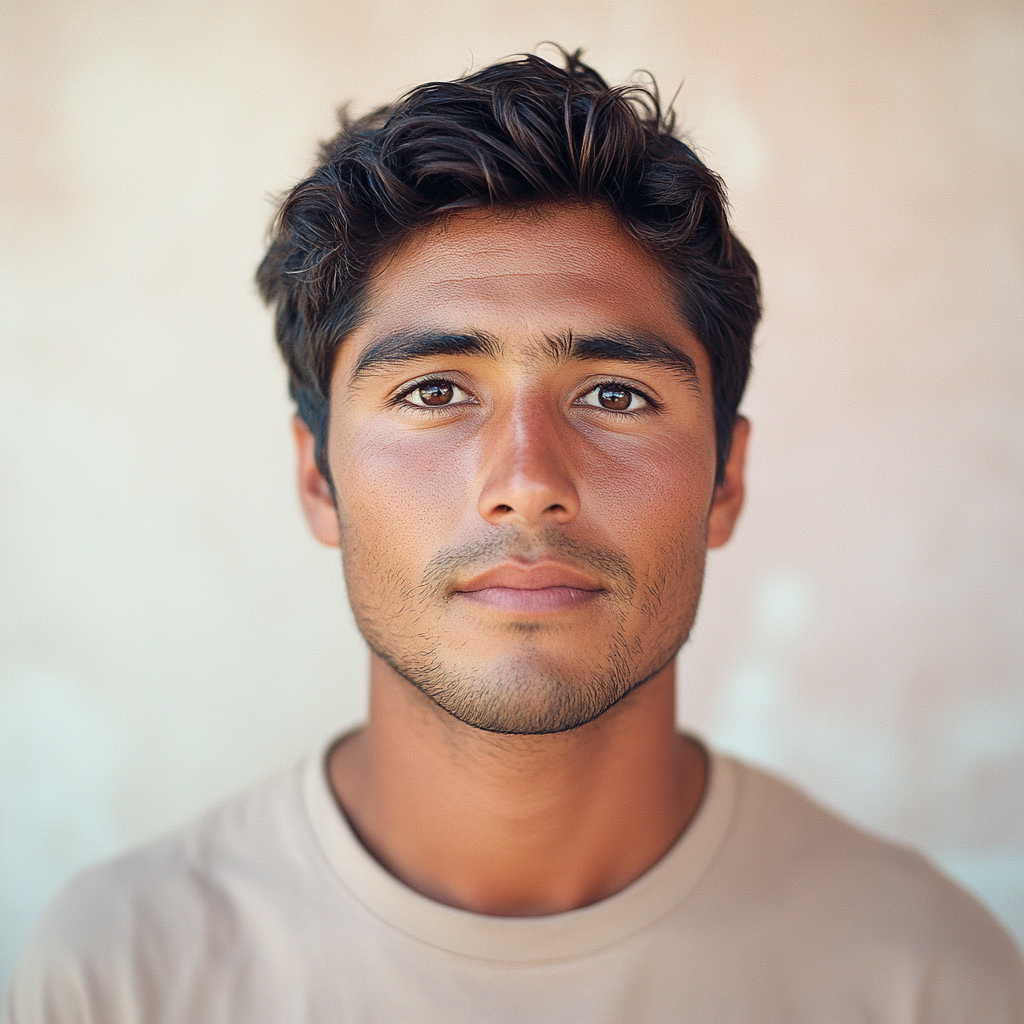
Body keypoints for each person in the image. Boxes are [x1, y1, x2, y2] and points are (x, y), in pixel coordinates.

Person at [6, 49, 1023, 1024]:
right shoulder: (117, 975)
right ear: (318, 477)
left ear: (726, 479)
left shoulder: (928, 980)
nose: (528, 483)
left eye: (615, 393)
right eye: (435, 390)